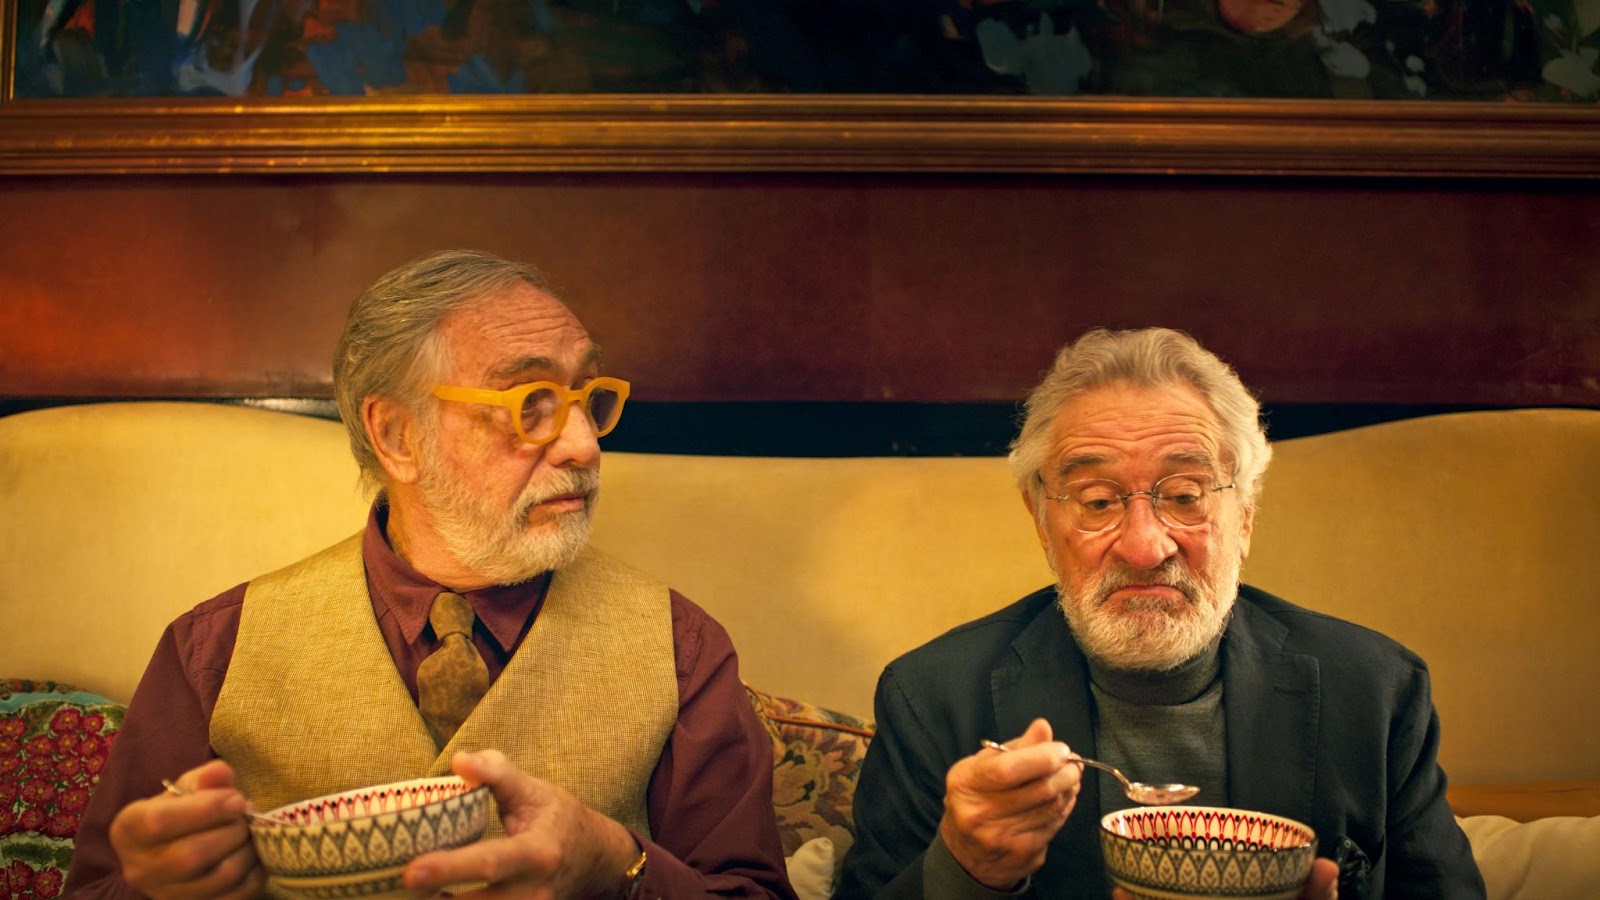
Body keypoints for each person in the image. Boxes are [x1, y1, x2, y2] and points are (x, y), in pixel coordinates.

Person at [64, 249, 798, 899]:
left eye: (585, 399)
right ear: (397, 435)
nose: (583, 445)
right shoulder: (212, 650)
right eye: (531, 404)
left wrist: (619, 867)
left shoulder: (680, 647)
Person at [835, 327, 1484, 899]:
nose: (1145, 548)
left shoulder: (1374, 690)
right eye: (1097, 501)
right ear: (1040, 520)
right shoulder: (934, 697)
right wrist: (965, 868)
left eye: (1185, 495)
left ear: (1245, 517)